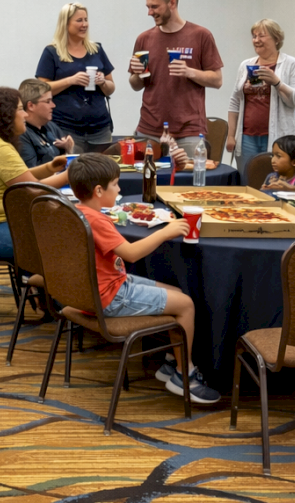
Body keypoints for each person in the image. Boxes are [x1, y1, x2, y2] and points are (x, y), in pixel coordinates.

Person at [69, 154, 220, 404]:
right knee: (186, 305)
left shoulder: (77, 211)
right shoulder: (97, 220)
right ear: (98, 190)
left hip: (98, 289)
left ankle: (173, 361)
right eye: (116, 184)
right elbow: (130, 253)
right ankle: (185, 375)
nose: (119, 188)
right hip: (110, 296)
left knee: (178, 294)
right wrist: (167, 233)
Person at [0, 87, 68, 262]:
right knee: (60, 240)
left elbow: (18, 176)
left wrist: (49, 168)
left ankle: (36, 281)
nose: (25, 115)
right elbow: (33, 190)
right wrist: (70, 175)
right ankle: (37, 282)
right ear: (6, 115)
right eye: (21, 109)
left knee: (54, 233)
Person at [128, 0, 223, 154]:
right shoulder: (144, 39)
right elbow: (135, 85)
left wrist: (190, 72)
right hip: (149, 129)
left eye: (155, 7)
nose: (150, 12)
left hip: (189, 131)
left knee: (187, 181)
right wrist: (138, 74)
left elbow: (217, 80)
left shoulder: (200, 35)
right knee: (145, 180)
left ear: (172, 3)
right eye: (148, 7)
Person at [225, 20, 295, 169]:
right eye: (254, 36)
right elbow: (235, 101)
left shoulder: (291, 64)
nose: (256, 40)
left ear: (276, 39)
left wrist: (277, 83)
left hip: (279, 136)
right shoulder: (246, 65)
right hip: (247, 138)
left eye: (261, 36)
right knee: (248, 181)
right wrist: (231, 136)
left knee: (274, 181)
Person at [35, 3, 116, 153]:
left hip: (100, 129)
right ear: (65, 24)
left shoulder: (97, 49)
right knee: (72, 173)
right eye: (79, 20)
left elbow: (111, 88)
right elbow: (41, 90)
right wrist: (71, 80)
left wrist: (103, 82)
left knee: (102, 172)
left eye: (86, 20)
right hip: (65, 129)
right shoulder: (52, 52)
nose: (84, 24)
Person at [17, 79, 74, 168]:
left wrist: (67, 149)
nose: (53, 105)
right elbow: (32, 172)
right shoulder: (22, 134)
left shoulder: (51, 126)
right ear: (31, 106)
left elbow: (65, 161)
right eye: (48, 101)